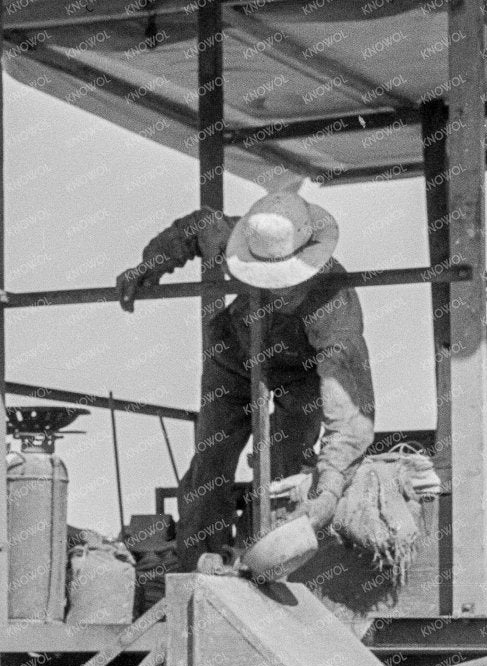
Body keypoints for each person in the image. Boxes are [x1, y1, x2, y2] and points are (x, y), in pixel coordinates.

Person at [115, 190, 375, 570]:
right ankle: (198, 570)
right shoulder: (250, 235)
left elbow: (349, 408)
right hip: (233, 356)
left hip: (300, 374)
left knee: (286, 468)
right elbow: (195, 226)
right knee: (210, 465)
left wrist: (331, 483)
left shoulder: (334, 303)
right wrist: (147, 267)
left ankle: (266, 562)